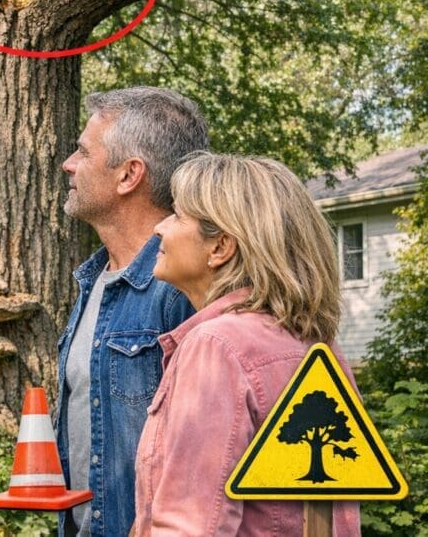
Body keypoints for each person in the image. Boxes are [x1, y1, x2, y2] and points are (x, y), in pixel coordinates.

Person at [133, 152, 361, 535]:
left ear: (220, 247)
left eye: (176, 216)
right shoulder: (318, 346)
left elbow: (191, 525)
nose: (160, 228)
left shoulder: (216, 346)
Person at [56, 87, 209, 537]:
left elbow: (207, 453)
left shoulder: (182, 287)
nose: (69, 163)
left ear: (129, 175)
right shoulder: (92, 281)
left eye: (83, 151)